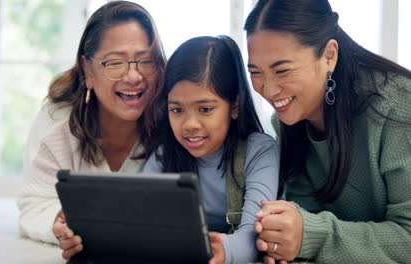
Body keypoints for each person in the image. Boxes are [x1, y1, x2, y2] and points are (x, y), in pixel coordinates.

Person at [243, 0, 411, 263]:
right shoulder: (287, 122)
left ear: (329, 55)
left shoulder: (399, 106)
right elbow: (305, 219)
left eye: (282, 70)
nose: (269, 89)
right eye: (255, 72)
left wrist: (311, 236)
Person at [16, 1, 166, 260]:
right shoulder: (57, 120)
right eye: (115, 62)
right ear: (88, 69)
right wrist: (59, 223)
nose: (133, 76)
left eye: (145, 61)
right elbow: (34, 203)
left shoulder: (175, 114)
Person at [142, 35, 279, 264]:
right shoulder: (164, 155)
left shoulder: (260, 153)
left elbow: (252, 235)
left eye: (205, 109)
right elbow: (139, 218)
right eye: (177, 110)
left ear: (234, 106)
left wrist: (220, 252)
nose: (189, 124)